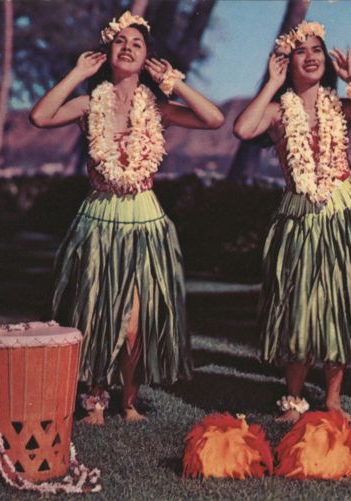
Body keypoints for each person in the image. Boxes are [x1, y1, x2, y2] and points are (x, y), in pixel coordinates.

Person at [29, 11, 224, 424]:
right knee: (94, 313)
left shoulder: (159, 106)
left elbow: (214, 119)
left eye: (137, 42)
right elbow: (40, 117)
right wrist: (76, 73)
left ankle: (129, 400)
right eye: (120, 41)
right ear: (106, 52)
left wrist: (177, 83)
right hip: (98, 217)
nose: (128, 46)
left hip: (145, 220)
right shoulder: (88, 103)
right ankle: (94, 399)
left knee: (134, 325)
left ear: (148, 57)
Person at [233, 21, 351, 423]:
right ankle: (294, 398)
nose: (311, 55)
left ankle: (333, 398)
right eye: (301, 50)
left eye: (317, 49)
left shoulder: (340, 106)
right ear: (289, 61)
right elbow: (242, 128)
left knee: (339, 304)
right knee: (299, 304)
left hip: (344, 212)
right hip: (299, 215)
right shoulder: (276, 112)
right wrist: (272, 83)